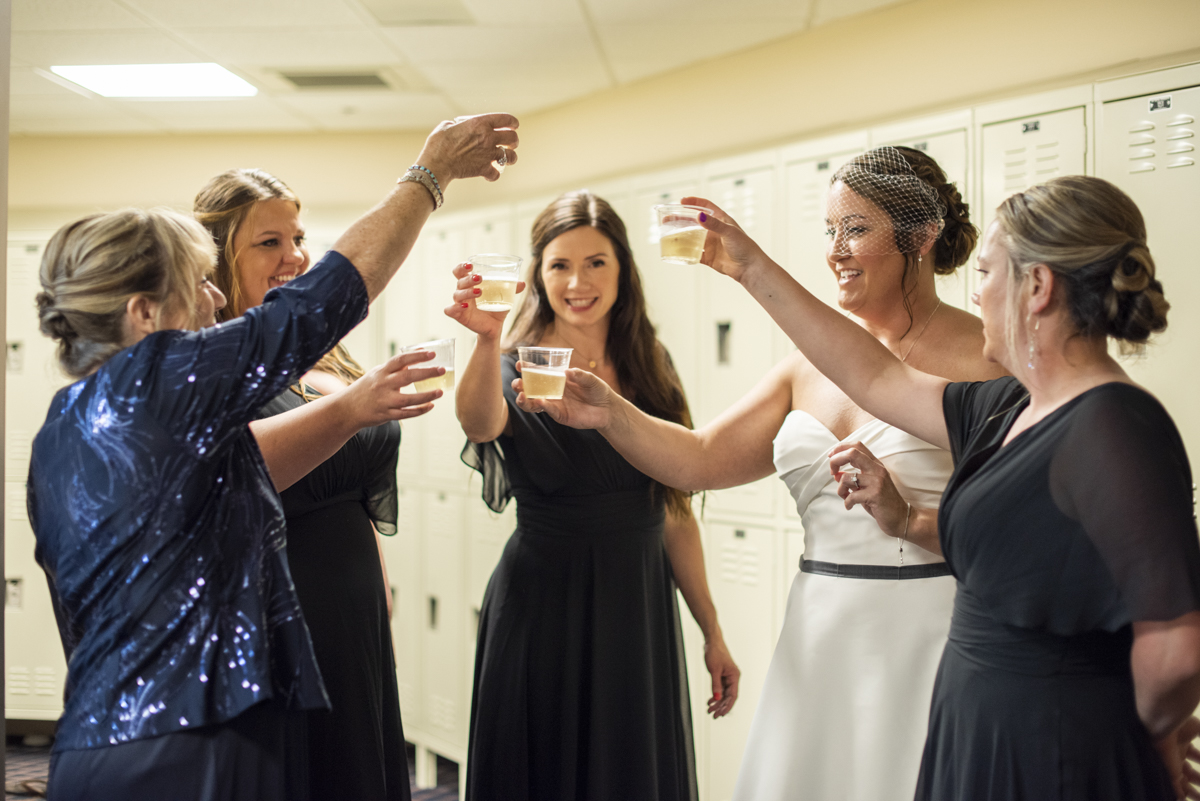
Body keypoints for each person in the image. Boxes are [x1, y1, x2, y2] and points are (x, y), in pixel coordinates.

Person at [549, 172, 1200, 799]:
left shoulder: (1110, 423)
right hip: (968, 713)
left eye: (986, 275)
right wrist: (744, 270)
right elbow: (879, 379)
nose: (976, 294)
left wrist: (1131, 730)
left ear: (1037, 287)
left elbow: (1169, 641)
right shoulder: (1014, 409)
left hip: (1033, 725)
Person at [28, 114, 518, 801]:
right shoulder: (169, 385)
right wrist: (429, 173)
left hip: (102, 742)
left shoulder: (64, 425)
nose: (217, 298)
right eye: (196, 281)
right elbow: (323, 301)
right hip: (196, 748)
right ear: (142, 313)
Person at [505, 148, 1005, 800]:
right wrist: (607, 411)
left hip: (929, 636)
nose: (835, 250)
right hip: (819, 636)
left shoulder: (986, 359)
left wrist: (909, 518)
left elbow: (1014, 530)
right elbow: (700, 459)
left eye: (854, 228)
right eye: (829, 231)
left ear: (920, 235)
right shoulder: (808, 363)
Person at [445, 190, 739, 801]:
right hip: (542, 603)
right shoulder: (518, 364)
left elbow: (676, 508)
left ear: (623, 269)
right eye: (559, 265)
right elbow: (479, 424)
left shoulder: (650, 363)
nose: (578, 281)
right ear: (537, 274)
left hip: (636, 606)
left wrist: (710, 627)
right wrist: (485, 339)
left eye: (596, 262)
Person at [194, 168, 415, 801]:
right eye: (269, 242)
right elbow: (239, 472)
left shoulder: (326, 351)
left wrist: (381, 603)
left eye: (298, 237)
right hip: (274, 610)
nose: (294, 257)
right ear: (217, 255)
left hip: (354, 613)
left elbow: (357, 500)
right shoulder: (208, 358)